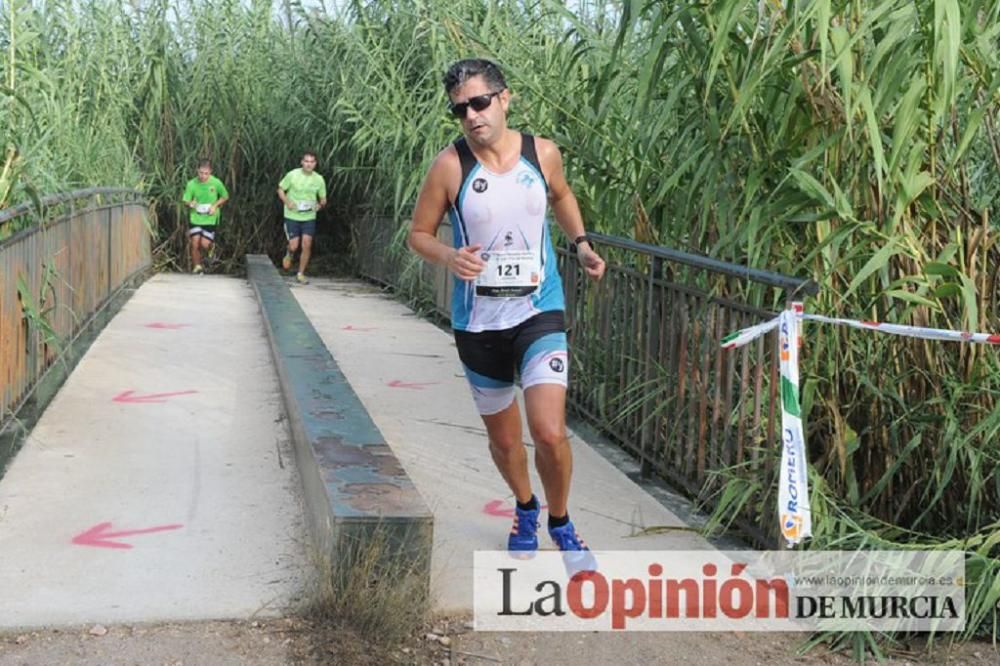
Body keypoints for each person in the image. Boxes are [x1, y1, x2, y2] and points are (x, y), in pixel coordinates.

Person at [407, 59, 606, 561]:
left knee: (548, 431)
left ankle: (560, 519)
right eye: (459, 109)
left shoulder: (542, 154)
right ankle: (524, 505)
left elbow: (561, 195)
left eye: (478, 103)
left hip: (540, 310)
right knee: (505, 440)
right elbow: (418, 235)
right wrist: (451, 256)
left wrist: (580, 243)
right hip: (478, 322)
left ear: (504, 98)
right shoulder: (450, 166)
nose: (471, 116)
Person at [277, 151, 327, 284]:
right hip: (292, 215)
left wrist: (320, 205)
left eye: (311, 162)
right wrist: (287, 201)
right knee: (294, 245)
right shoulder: (292, 175)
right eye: (306, 161)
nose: (309, 164)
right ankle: (289, 253)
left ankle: (301, 273)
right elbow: (280, 189)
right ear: (302, 162)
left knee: (307, 244)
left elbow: (323, 199)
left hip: (309, 216)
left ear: (315, 164)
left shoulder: (319, 179)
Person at [182, 159, 229, 274]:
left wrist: (215, 206)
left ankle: (211, 248)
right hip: (196, 217)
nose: (203, 176)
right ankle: (197, 266)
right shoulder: (191, 184)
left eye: (206, 173)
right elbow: (186, 200)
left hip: (210, 217)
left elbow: (225, 196)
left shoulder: (216, 183)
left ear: (210, 172)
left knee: (204, 244)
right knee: (194, 242)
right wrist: (190, 204)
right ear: (197, 171)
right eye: (201, 173)